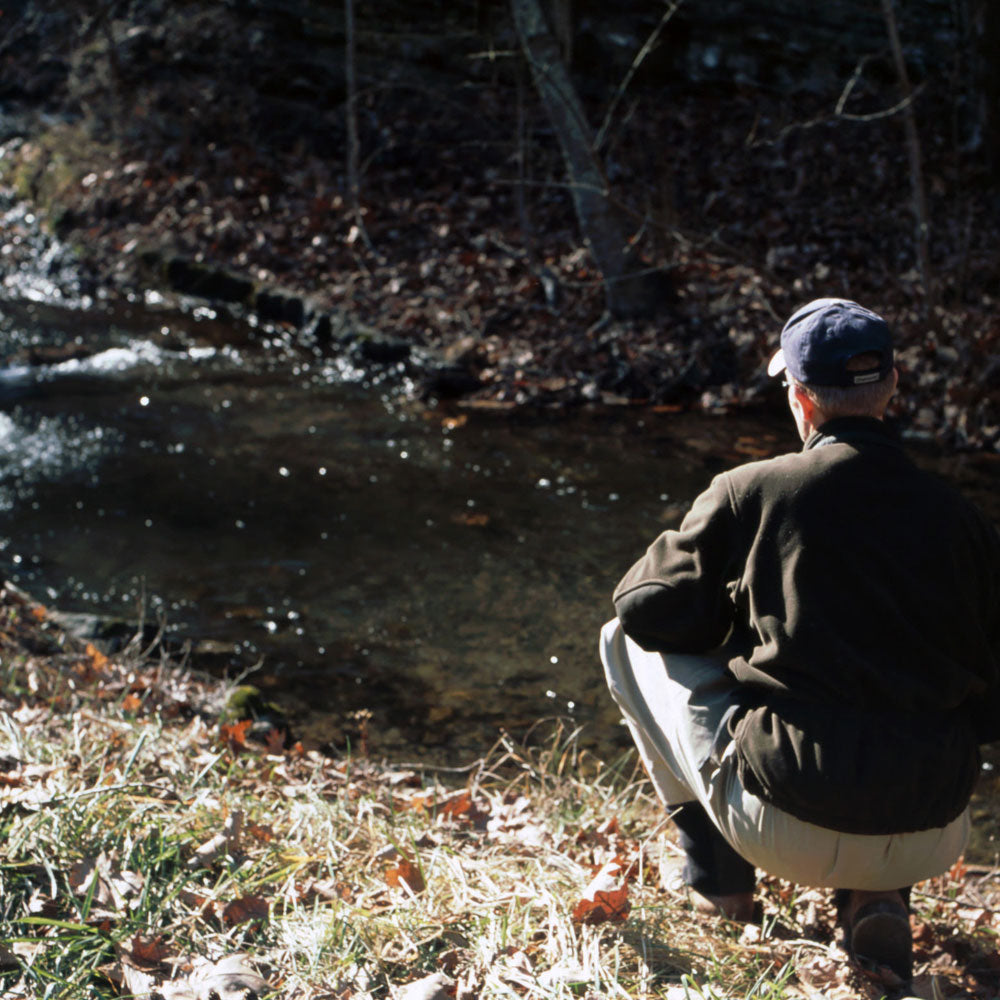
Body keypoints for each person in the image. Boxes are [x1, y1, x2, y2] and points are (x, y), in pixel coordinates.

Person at [599, 298, 1000, 986]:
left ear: (801, 399)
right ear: (893, 387)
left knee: (619, 642)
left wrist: (731, 633)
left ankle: (721, 884)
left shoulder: (751, 490)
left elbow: (644, 609)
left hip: (786, 821)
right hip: (932, 828)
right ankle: (879, 897)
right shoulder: (960, 517)